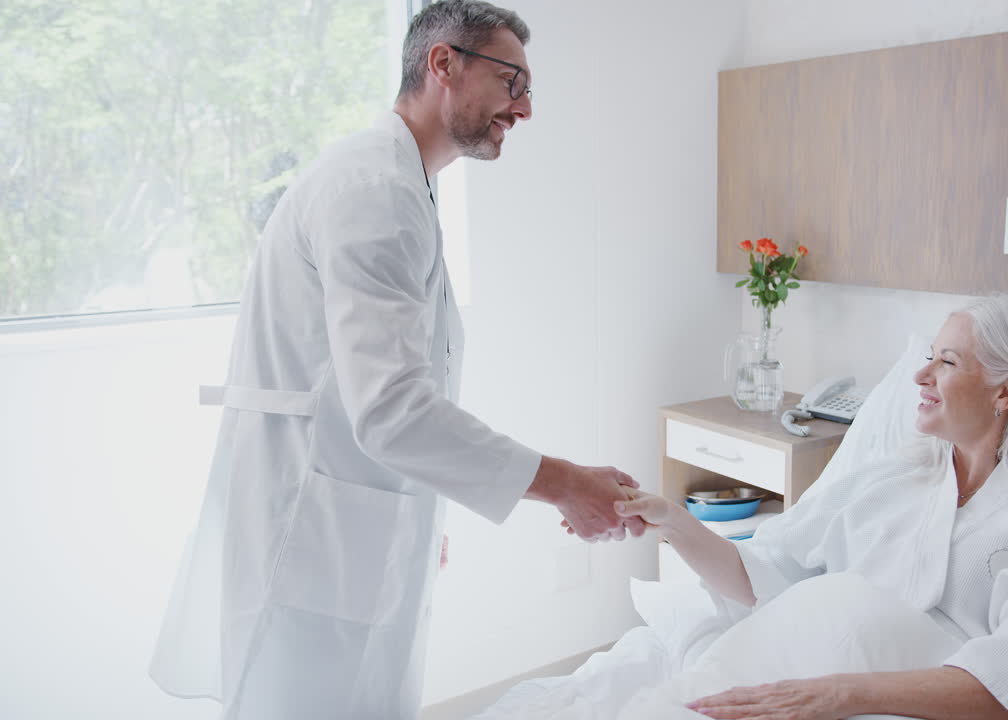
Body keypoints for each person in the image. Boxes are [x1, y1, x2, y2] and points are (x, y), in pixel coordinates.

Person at [148, 3, 642, 719]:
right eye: (512, 82)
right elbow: (393, 411)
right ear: (443, 64)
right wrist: (566, 484)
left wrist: (416, 517)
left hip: (346, 523)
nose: (525, 108)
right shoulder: (374, 189)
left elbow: (377, 389)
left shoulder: (401, 183)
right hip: (312, 539)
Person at [603, 295, 1008, 720]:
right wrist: (673, 521)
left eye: (946, 362)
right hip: (789, 678)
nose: (920, 376)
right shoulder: (889, 481)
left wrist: (839, 695)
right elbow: (762, 576)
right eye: (928, 356)